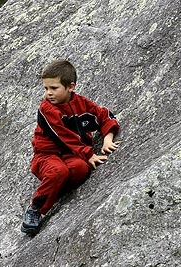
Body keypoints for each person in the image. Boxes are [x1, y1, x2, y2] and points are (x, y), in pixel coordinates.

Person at [21, 60, 121, 234]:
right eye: (46, 88)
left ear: (71, 87)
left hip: (71, 154)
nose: (48, 93)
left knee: (81, 169)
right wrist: (88, 153)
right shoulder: (47, 109)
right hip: (47, 155)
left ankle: (54, 188)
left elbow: (105, 115)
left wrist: (107, 138)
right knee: (58, 171)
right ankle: (35, 209)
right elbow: (63, 136)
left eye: (54, 88)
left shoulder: (82, 104)